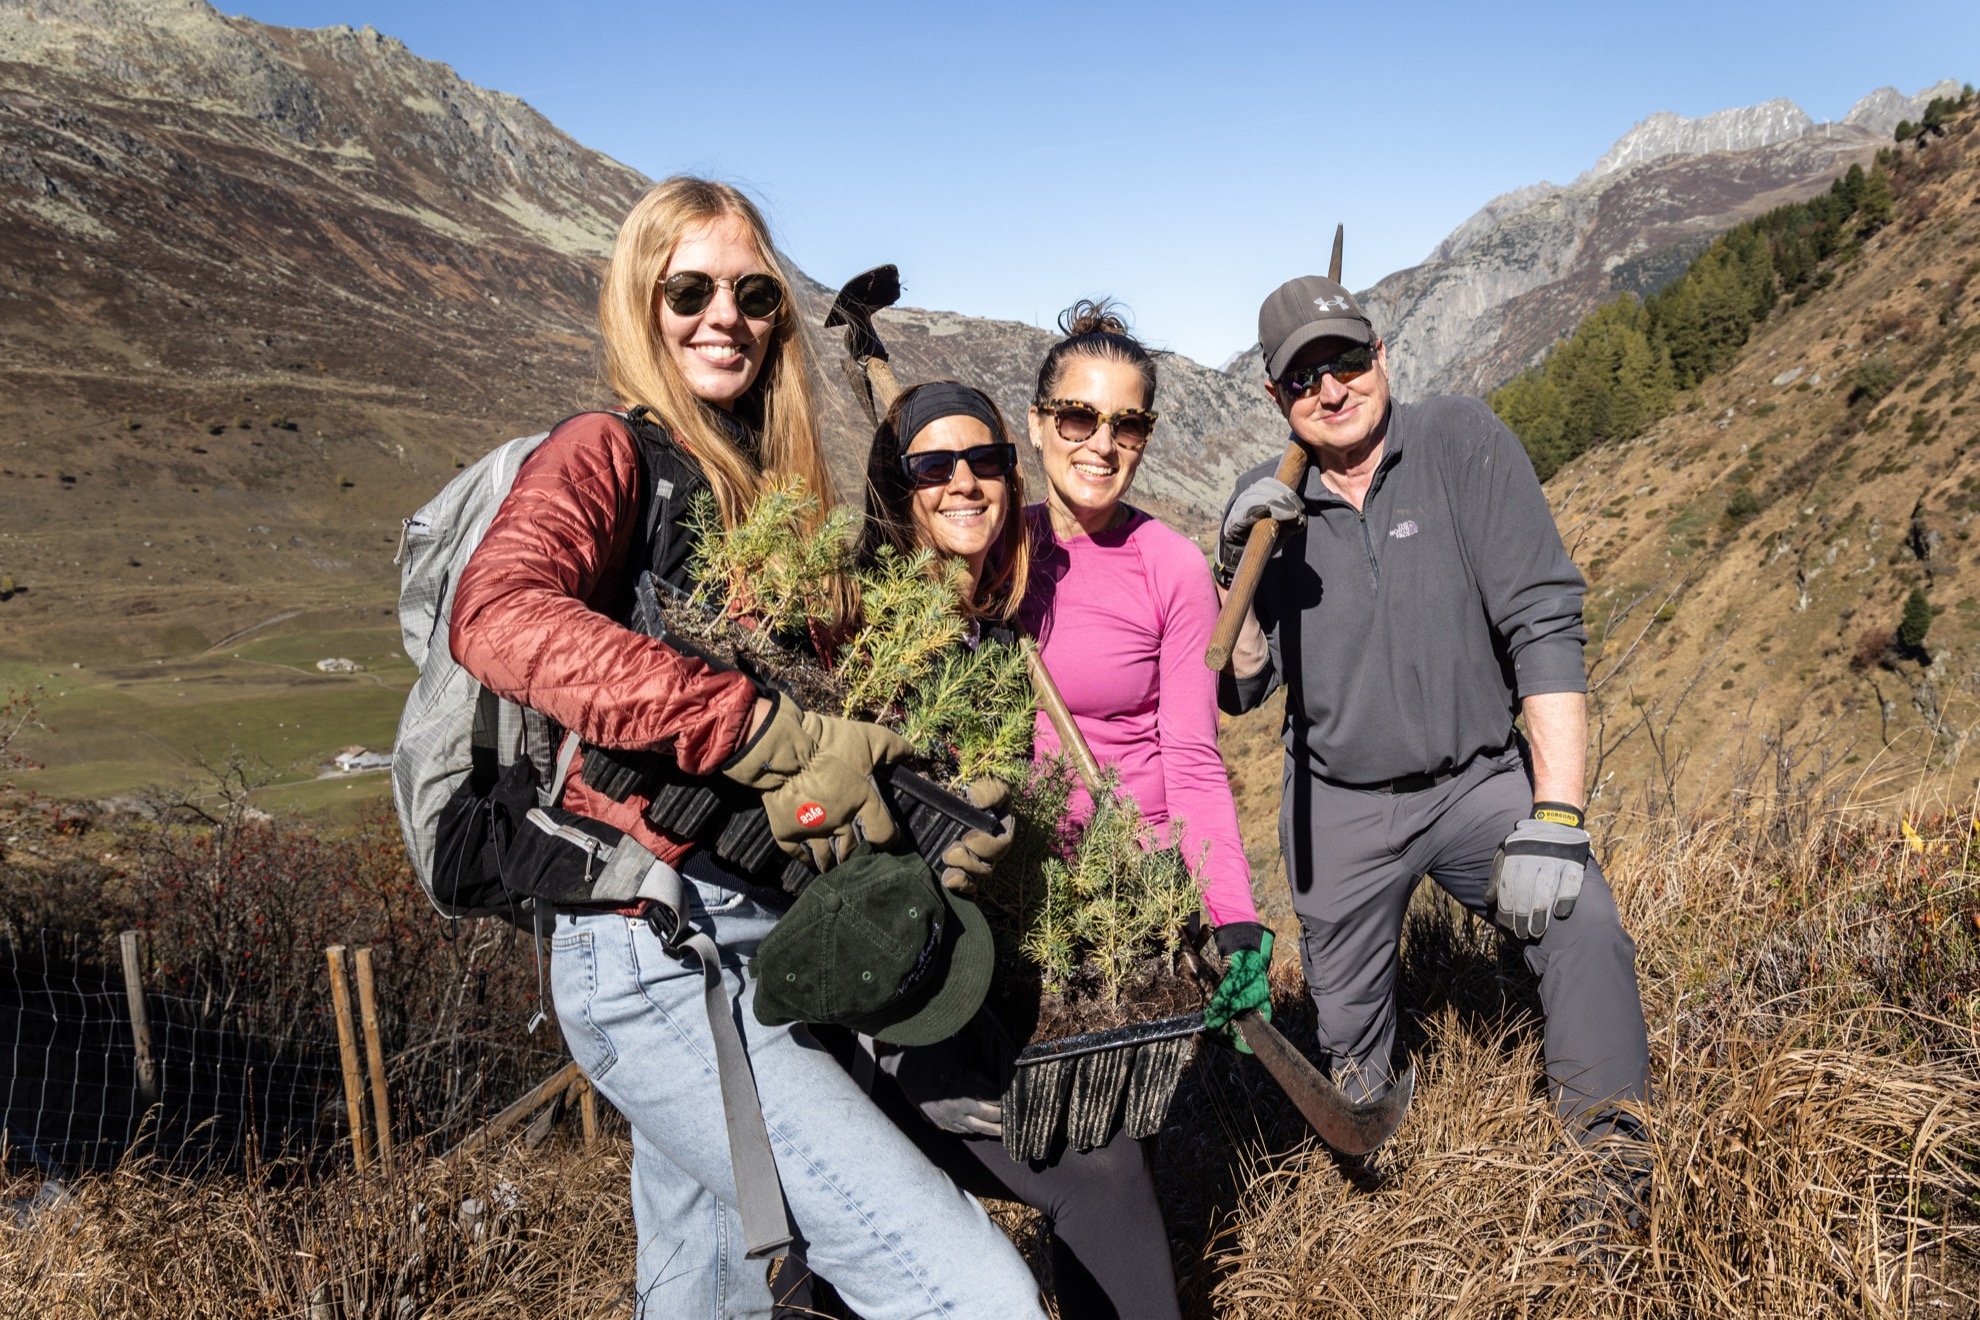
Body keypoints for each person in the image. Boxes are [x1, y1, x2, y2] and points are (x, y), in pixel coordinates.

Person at [448, 177, 1046, 1320]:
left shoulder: (768, 500)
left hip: (762, 943)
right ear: (640, 299)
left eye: (753, 292)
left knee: (706, 1301)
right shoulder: (605, 454)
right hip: (656, 949)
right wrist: (762, 735)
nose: (724, 315)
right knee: (971, 1295)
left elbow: (835, 736)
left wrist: (926, 821)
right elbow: (501, 614)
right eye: (689, 289)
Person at [1214, 275, 1653, 1161]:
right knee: (1353, 1069)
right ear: (1275, 397)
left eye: (1345, 361)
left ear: (1381, 355)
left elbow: (1544, 624)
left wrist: (1558, 817)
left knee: (1582, 926)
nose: (1330, 390)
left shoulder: (1462, 442)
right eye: (1303, 378)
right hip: (1338, 808)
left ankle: (1613, 1163)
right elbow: (1237, 688)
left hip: (1479, 784)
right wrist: (1240, 578)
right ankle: (1381, 1197)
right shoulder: (1268, 507)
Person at [853, 378, 1186, 1320]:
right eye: (932, 466)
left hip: (987, 990)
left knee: (1113, 1143)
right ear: (897, 484)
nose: (964, 481)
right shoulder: (874, 631)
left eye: (985, 461)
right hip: (901, 1020)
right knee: (1102, 1169)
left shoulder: (989, 636)